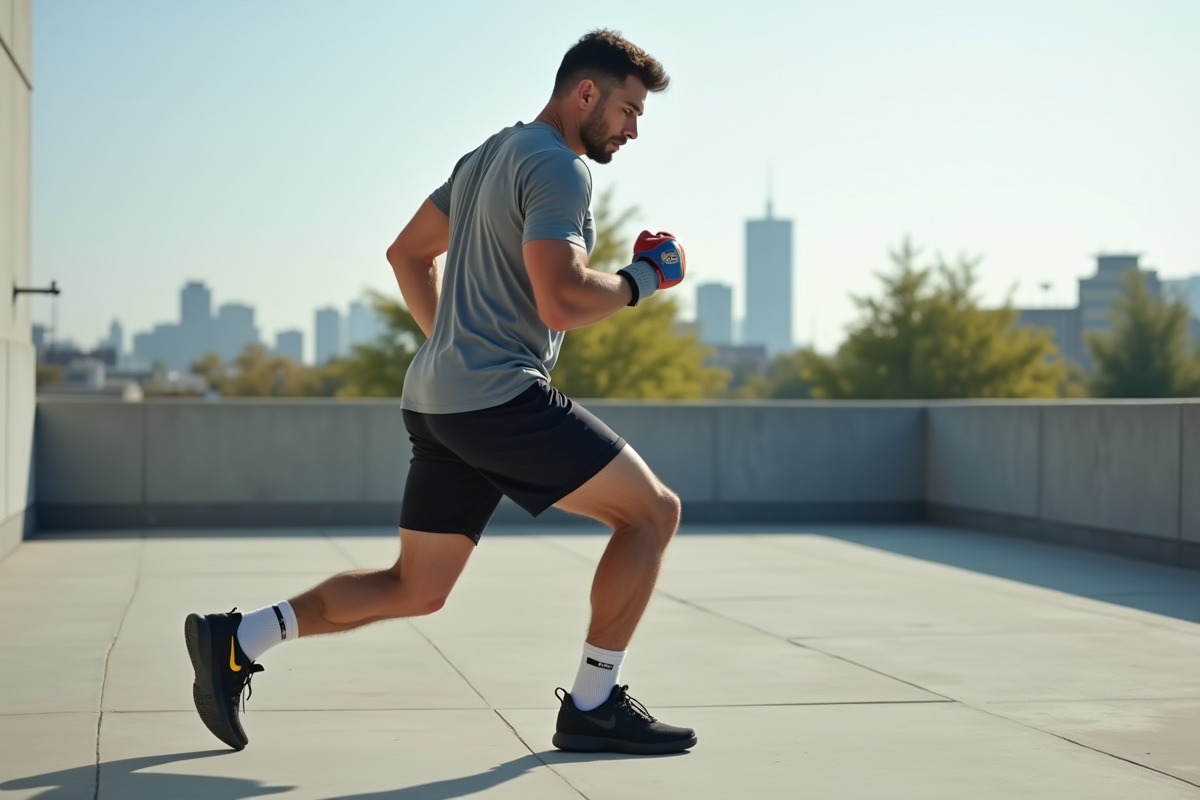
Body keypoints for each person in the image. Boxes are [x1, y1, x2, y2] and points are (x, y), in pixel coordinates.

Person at [185, 29, 695, 756]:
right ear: (587, 92)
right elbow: (561, 301)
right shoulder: (561, 168)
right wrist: (646, 278)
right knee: (652, 514)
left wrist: (453, 345)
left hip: (437, 400)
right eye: (628, 108)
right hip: (498, 399)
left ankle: (237, 638)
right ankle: (593, 703)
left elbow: (406, 253)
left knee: (415, 586)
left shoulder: (489, 155)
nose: (634, 128)